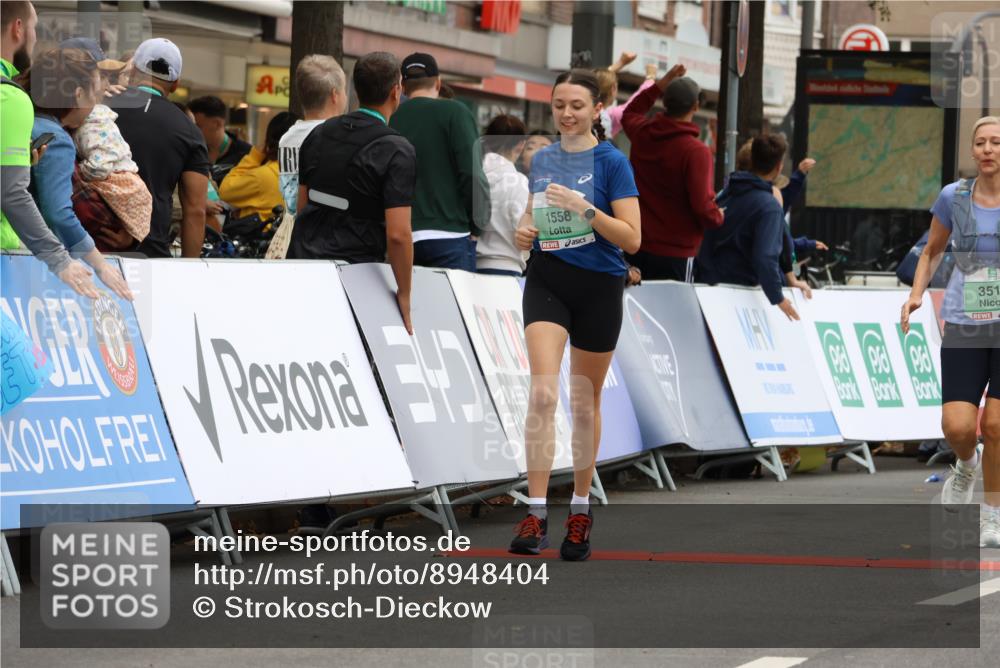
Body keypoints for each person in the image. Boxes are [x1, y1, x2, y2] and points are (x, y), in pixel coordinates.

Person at [510, 69, 641, 561]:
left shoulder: (612, 163)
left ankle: (581, 508)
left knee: (584, 404)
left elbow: (632, 239)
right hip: (548, 279)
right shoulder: (542, 159)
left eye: (577, 106)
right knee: (543, 394)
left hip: (599, 287)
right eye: (559, 104)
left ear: (597, 110)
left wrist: (587, 210)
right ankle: (537, 510)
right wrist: (525, 231)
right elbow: (532, 216)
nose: (566, 113)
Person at [901, 115, 1000, 547]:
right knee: (959, 425)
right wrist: (916, 295)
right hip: (964, 320)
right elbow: (932, 251)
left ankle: (992, 514)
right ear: (972, 150)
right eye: (980, 143)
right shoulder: (953, 196)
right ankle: (965, 462)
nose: (988, 150)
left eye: (996, 142)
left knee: (996, 424)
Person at [288, 51, 415, 333]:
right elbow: (398, 235)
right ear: (397, 91)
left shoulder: (318, 134)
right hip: (356, 276)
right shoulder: (397, 149)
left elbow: (303, 205)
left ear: (355, 89)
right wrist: (404, 293)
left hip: (305, 265)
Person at [1, 1, 99, 297]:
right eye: (34, 28)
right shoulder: (11, 98)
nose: (34, 38)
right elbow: (11, 192)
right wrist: (59, 260)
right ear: (18, 29)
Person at [19, 47, 132, 300]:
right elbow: (58, 213)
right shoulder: (56, 139)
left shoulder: (24, 118)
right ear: (78, 94)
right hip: (22, 259)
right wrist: (100, 264)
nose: (96, 102)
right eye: (95, 93)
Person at [389, 52, 489, 271]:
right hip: (450, 233)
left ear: (403, 86)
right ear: (438, 82)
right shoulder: (455, 112)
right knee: (452, 305)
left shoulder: (391, 118)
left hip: (401, 234)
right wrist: (477, 224)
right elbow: (472, 174)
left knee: (407, 304)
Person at [110, 38, 209, 258]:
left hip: (92, 241)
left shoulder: (99, 107)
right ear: (175, 84)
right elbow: (195, 210)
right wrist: (189, 268)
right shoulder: (189, 131)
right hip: (150, 250)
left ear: (134, 70)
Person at [622, 68, 722, 282]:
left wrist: (660, 84)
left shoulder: (643, 134)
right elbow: (703, 206)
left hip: (636, 244)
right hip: (676, 252)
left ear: (665, 102)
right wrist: (719, 216)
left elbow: (630, 113)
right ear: (696, 106)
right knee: (672, 314)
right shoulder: (696, 151)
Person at [696, 134, 799, 321]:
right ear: (779, 167)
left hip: (706, 288)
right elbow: (765, 257)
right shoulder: (769, 207)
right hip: (736, 296)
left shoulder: (725, 194)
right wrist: (778, 298)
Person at [64, 38, 151, 251]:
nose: (108, 84)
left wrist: (129, 234)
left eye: (109, 77)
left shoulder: (101, 115)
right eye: (101, 76)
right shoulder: (57, 128)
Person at [278, 55, 348, 217]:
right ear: (334, 95)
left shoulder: (287, 138)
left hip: (294, 231)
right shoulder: (338, 136)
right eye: (344, 89)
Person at [218, 111, 296, 220]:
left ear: (268, 140)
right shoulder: (304, 173)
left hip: (264, 236)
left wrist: (255, 156)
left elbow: (225, 192)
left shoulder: (262, 176)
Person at [478, 114, 528, 277]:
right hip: (506, 266)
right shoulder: (517, 181)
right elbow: (524, 229)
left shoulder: (473, 176)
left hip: (472, 265)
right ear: (520, 145)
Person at [188, 95, 251, 187]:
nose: (192, 132)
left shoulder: (246, 155)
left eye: (197, 127)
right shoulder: (190, 151)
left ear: (217, 124)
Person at [594, 51, 657, 140]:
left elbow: (593, 82)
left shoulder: (583, 110)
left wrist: (619, 64)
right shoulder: (610, 116)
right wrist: (651, 77)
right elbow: (636, 102)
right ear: (613, 89)